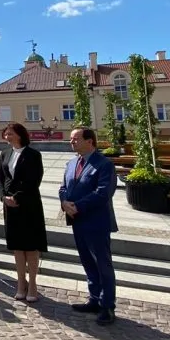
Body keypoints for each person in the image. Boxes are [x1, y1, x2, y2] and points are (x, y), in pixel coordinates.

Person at [59, 127, 118, 325]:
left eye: (76, 139)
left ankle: (107, 306)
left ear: (90, 141)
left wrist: (77, 206)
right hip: (77, 220)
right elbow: (63, 187)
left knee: (103, 264)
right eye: (71, 139)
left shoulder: (104, 164)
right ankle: (94, 299)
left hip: (96, 221)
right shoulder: (72, 163)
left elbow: (103, 192)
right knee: (87, 262)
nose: (72, 142)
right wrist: (64, 202)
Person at [0, 122, 47, 301]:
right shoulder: (5, 153)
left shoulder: (33, 154)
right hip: (9, 206)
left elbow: (34, 180)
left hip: (28, 204)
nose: (7, 137)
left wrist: (16, 197)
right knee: (17, 246)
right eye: (6, 134)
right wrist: (4, 197)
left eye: (10, 134)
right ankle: (20, 282)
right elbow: (0, 178)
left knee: (31, 246)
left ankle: (32, 283)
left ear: (19, 134)